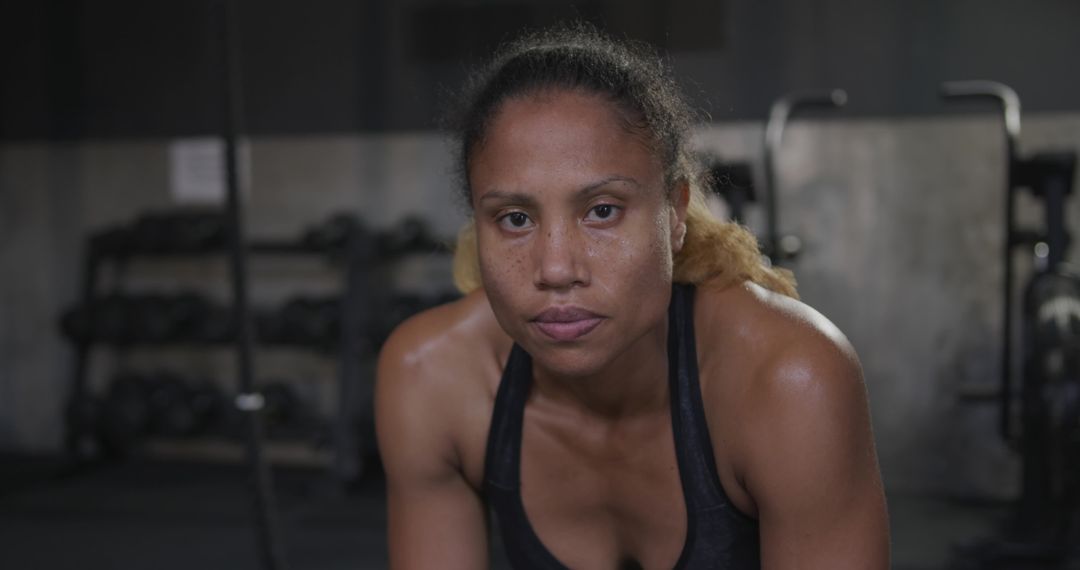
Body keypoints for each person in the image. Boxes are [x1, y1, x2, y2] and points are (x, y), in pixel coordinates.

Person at [376, 23, 889, 569]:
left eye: (602, 210)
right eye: (516, 218)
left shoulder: (787, 379)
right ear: (478, 226)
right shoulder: (433, 377)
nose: (555, 268)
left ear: (673, 214)